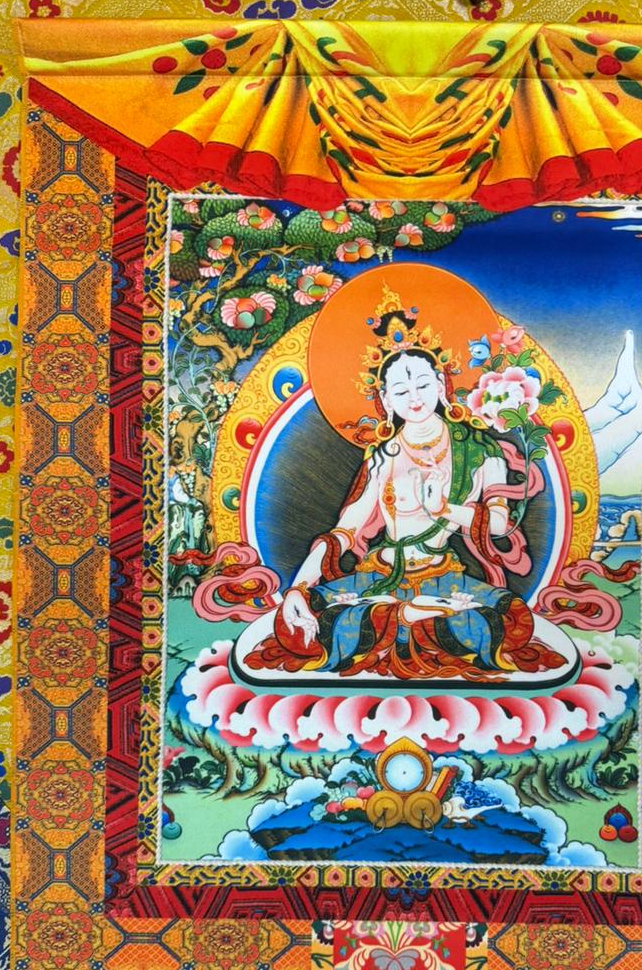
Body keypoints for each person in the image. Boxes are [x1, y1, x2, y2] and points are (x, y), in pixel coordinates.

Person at [241, 291, 581, 685]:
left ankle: (408, 617)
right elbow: (346, 530)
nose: (414, 398)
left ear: (441, 384)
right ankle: (406, 616)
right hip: (379, 579)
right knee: (299, 623)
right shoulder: (383, 456)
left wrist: (445, 510)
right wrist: (299, 587)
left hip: (443, 579)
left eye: (422, 385)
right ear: (386, 400)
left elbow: (500, 526)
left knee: (509, 621)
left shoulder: (480, 450)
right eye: (401, 391)